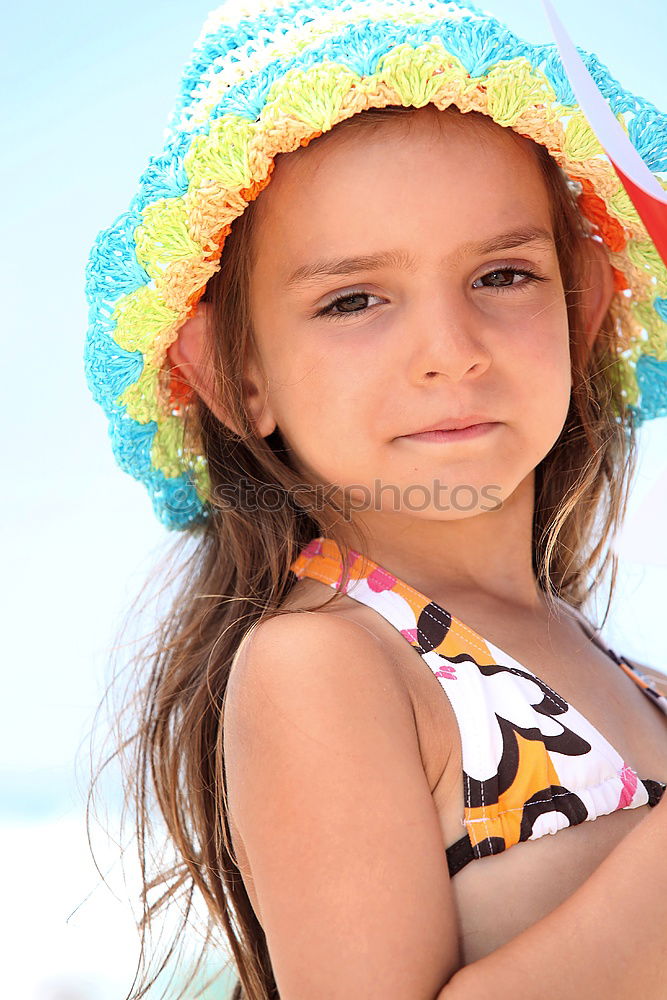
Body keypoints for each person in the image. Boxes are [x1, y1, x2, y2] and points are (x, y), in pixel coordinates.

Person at [83, 1, 667, 997]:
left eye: (501, 273)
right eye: (354, 298)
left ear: (581, 308)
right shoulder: (323, 664)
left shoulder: (611, 662)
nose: (449, 349)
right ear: (234, 376)